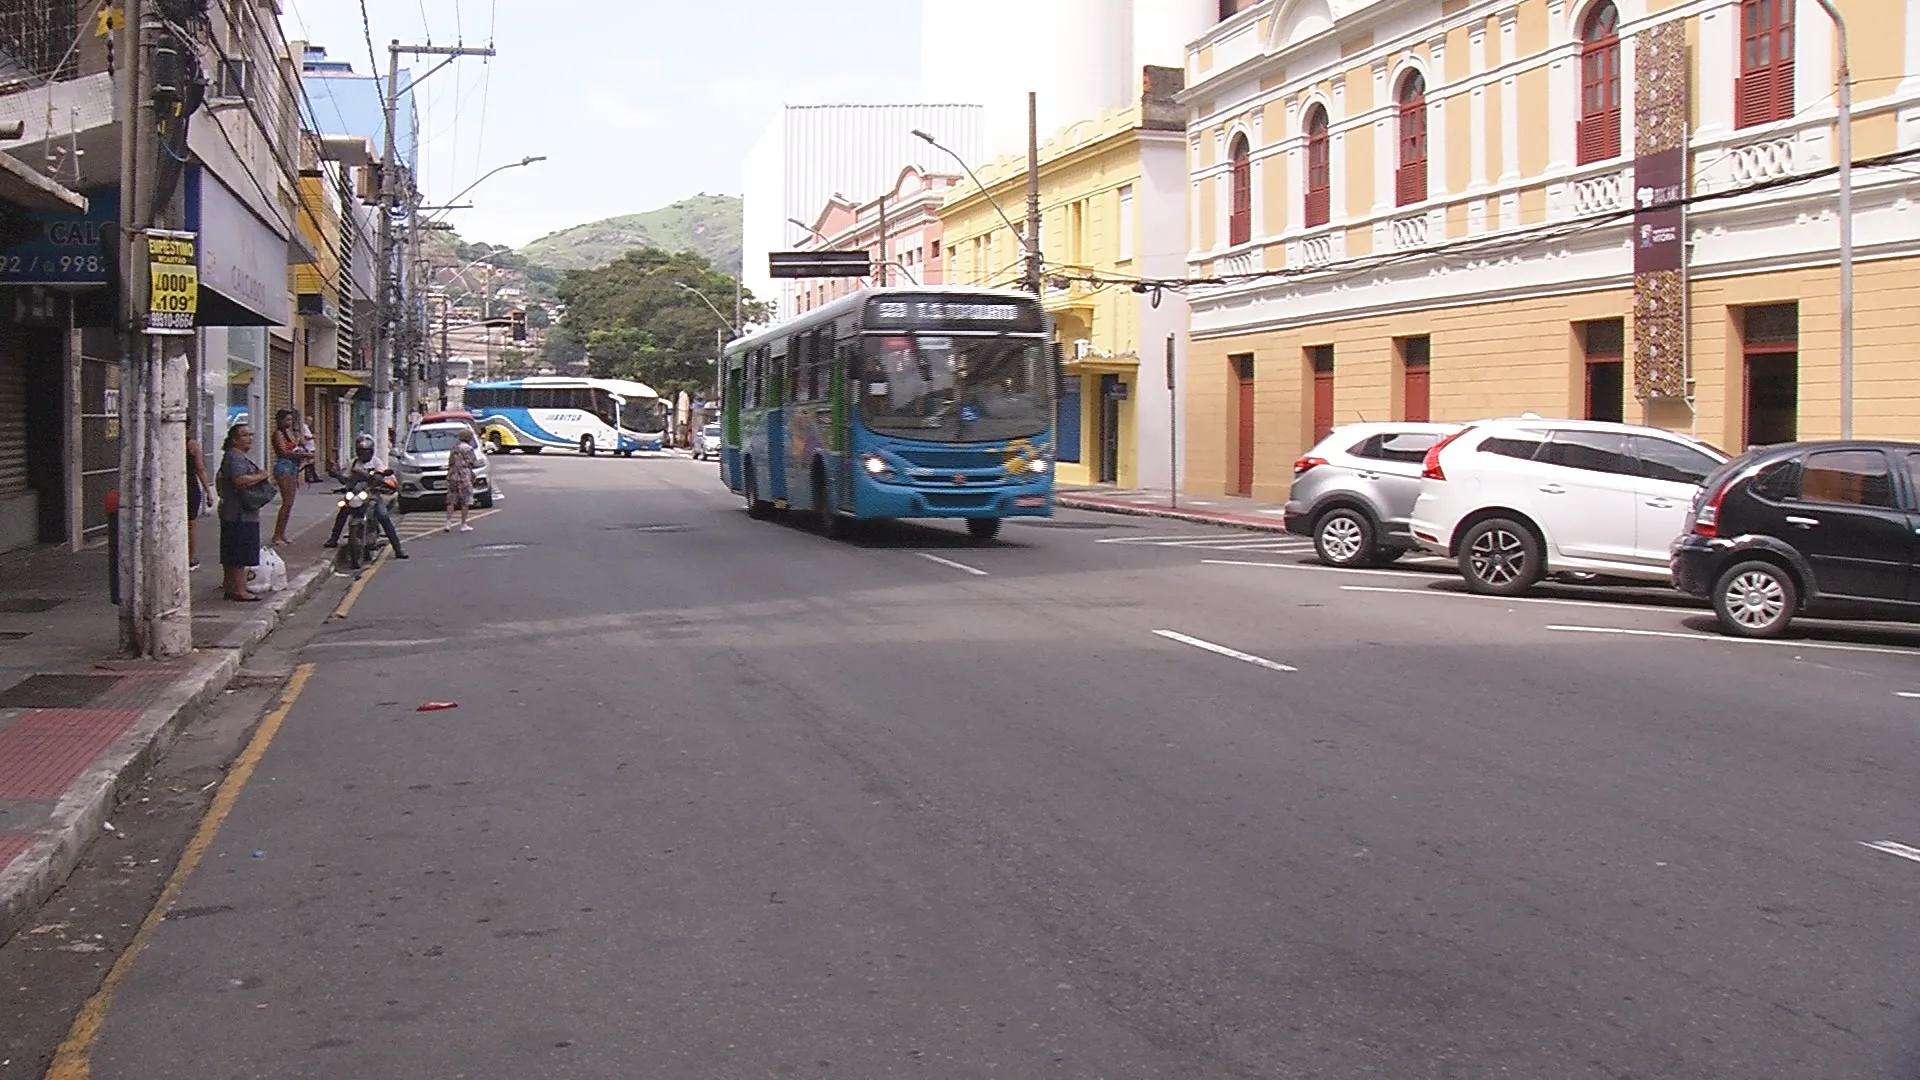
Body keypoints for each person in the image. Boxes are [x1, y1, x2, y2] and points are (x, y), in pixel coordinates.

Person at [324, 433, 408, 558]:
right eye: (361, 451)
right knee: (343, 511)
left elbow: (383, 476)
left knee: (383, 516)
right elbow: (345, 479)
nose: (363, 454)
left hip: (371, 494)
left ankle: (398, 549)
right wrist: (336, 474)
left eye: (366, 451)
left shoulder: (376, 462)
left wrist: (378, 477)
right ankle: (333, 539)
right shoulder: (353, 463)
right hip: (354, 493)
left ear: (371, 451)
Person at [216, 424, 272, 602]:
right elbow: (239, 481)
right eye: (244, 435)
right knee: (239, 551)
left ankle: (230, 585)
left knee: (233, 549)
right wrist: (261, 476)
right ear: (234, 439)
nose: (249, 438)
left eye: (250, 434)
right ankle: (239, 590)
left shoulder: (238, 457)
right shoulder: (235, 457)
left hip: (238, 511)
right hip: (238, 512)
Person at [268, 409, 309, 546]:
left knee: (290, 503)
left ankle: (282, 533)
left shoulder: (290, 433)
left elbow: (298, 445)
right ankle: (277, 535)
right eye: (286, 420)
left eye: (290, 420)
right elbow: (283, 452)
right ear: (280, 420)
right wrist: (303, 456)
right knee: (286, 502)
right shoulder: (279, 434)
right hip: (284, 467)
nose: (289, 422)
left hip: (293, 467)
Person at [444, 426, 479, 533]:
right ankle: (463, 524)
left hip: (453, 474)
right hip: (464, 475)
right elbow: (472, 462)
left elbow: (450, 462)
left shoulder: (454, 448)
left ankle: (448, 522)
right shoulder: (468, 449)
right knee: (465, 500)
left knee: (451, 500)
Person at [186, 432, 212, 570]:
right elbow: (200, 469)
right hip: (190, 485)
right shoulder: (193, 445)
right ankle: (190, 557)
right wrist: (208, 491)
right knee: (191, 524)